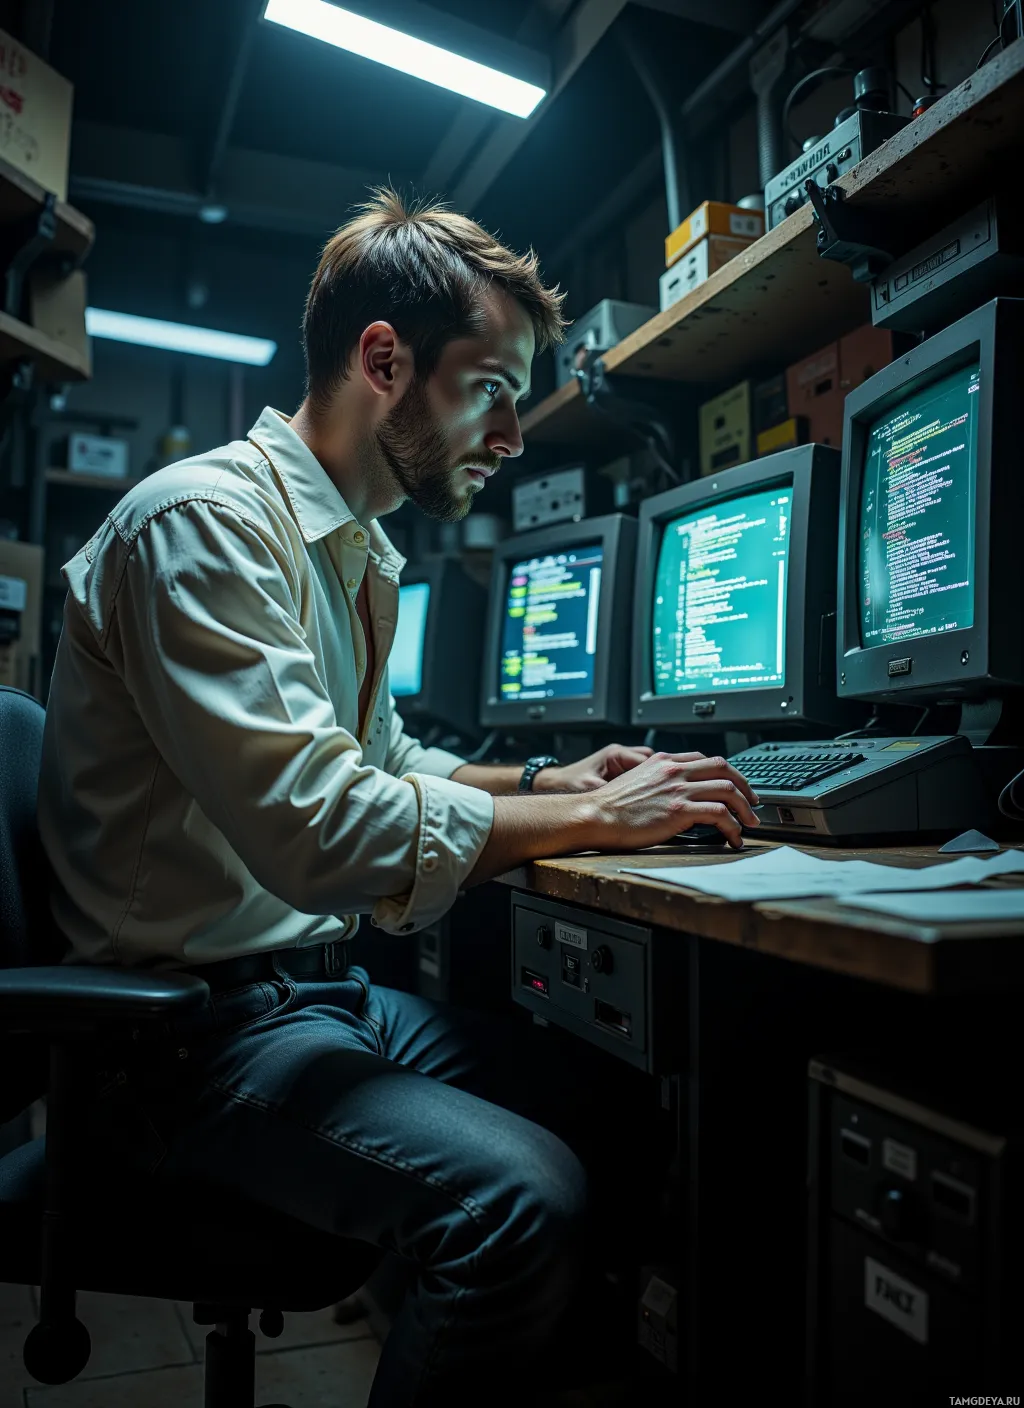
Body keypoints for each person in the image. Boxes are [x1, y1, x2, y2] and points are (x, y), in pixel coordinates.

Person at [38, 188, 759, 1406]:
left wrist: (547, 779)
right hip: (171, 1048)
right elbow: (327, 829)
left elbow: (383, 765)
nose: (514, 432)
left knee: (614, 1115)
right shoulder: (204, 525)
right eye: (491, 386)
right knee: (516, 1204)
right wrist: (597, 820)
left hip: (309, 1000)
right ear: (387, 360)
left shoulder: (345, 547)